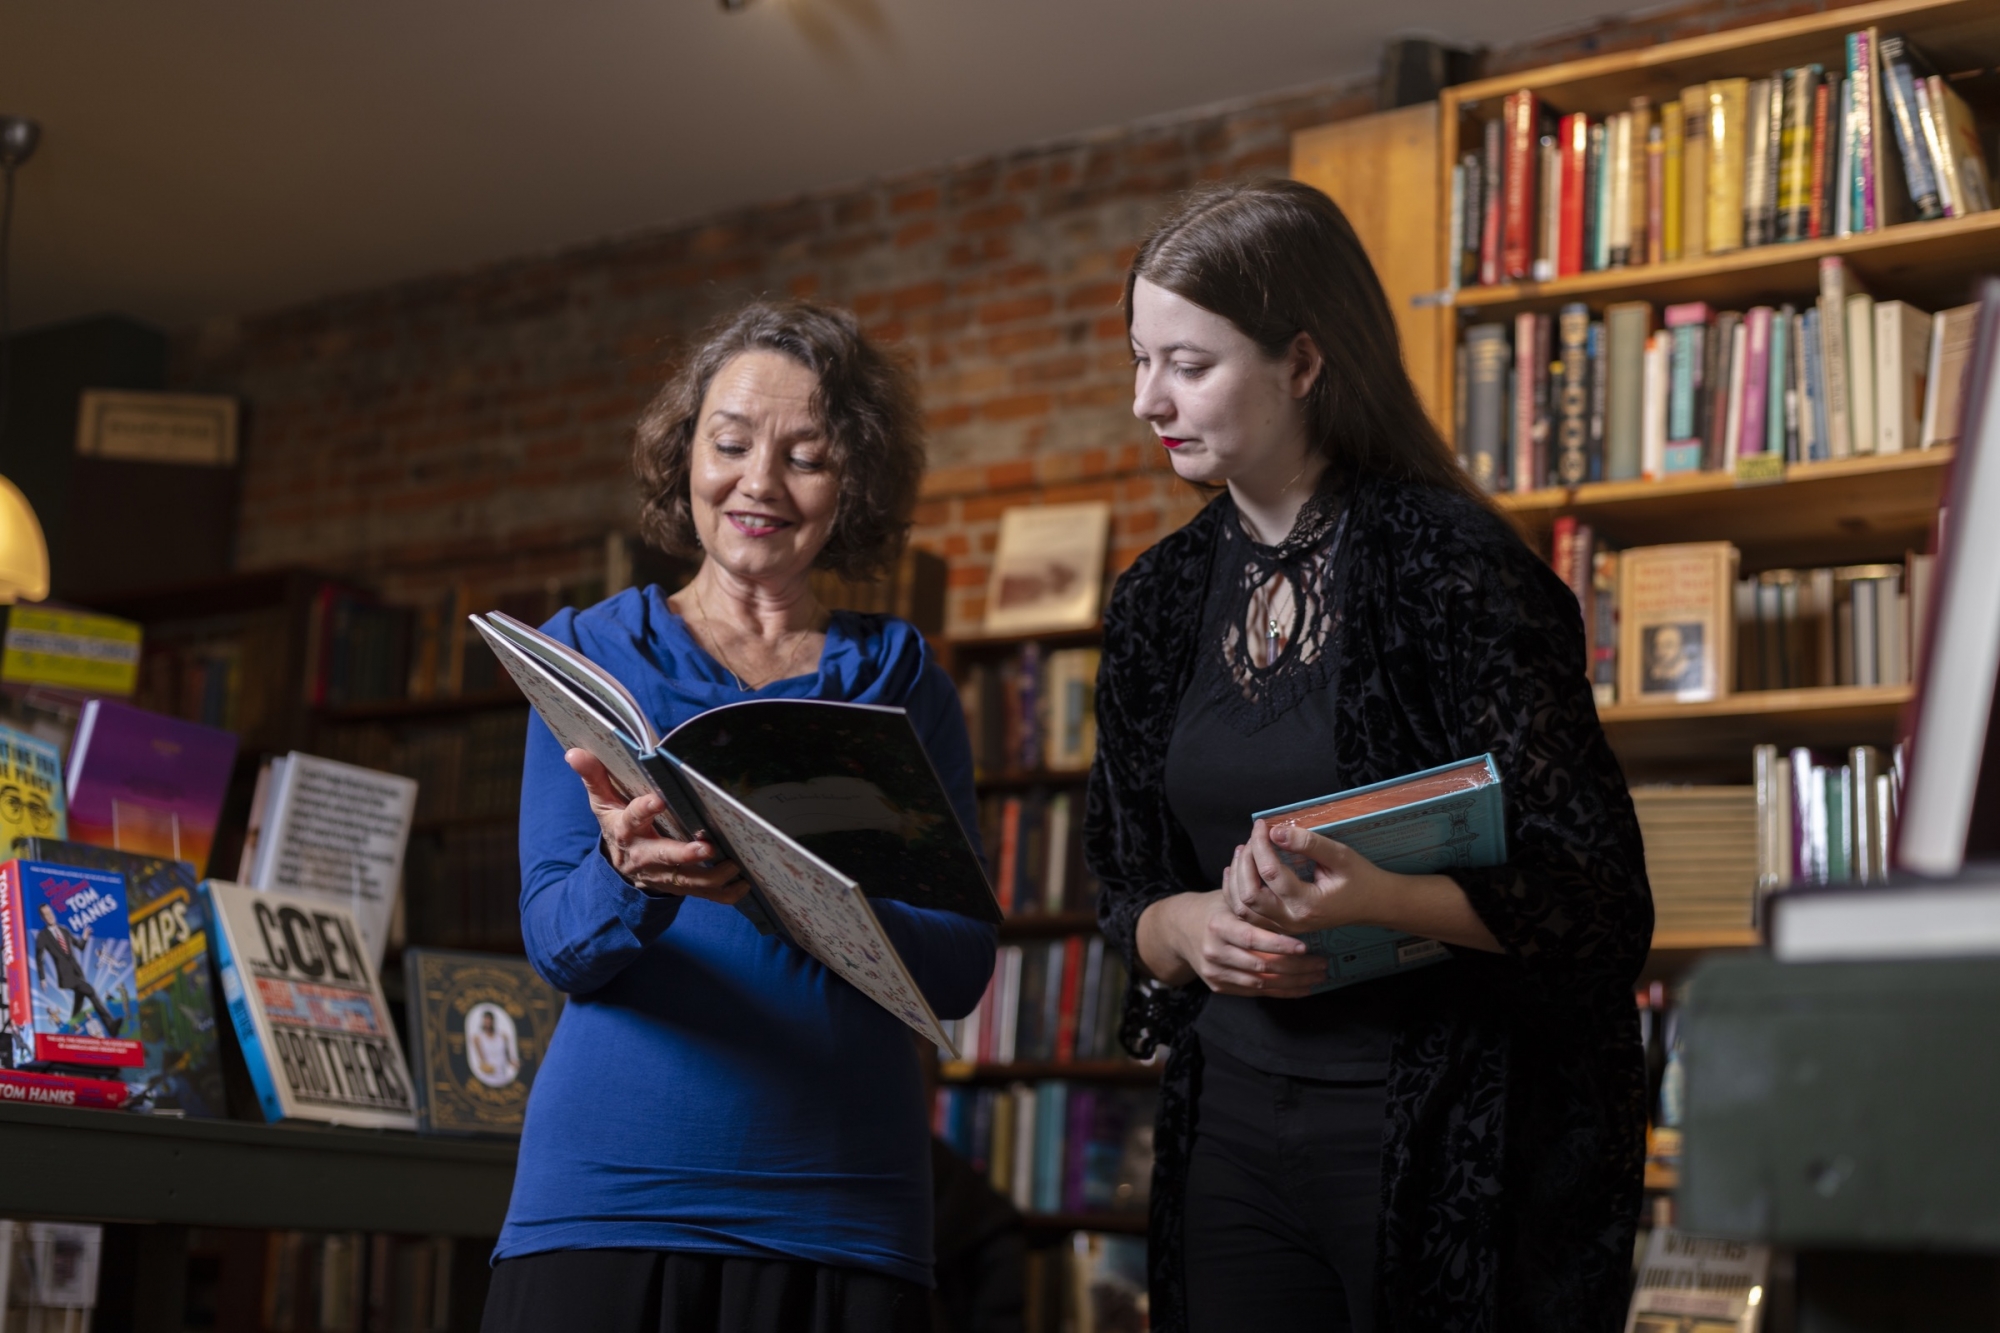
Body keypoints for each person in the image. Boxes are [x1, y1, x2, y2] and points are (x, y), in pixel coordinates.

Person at [1083, 180, 1652, 1332]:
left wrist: (1380, 898)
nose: (1147, 398)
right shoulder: (1151, 603)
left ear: (1301, 362)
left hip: (1445, 1132)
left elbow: (1596, 902)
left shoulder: (1455, 569)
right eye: (1139, 358)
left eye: (1187, 364)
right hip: (1230, 1134)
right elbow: (1122, 888)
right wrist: (1191, 929)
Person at [486, 300, 996, 1333]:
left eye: (805, 456)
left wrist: (803, 889)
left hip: (841, 1204)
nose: (758, 484)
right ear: (684, 457)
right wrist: (623, 877)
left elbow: (954, 966)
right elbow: (556, 944)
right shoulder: (587, 651)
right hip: (608, 1194)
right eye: (728, 445)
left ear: (849, 482)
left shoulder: (900, 678)